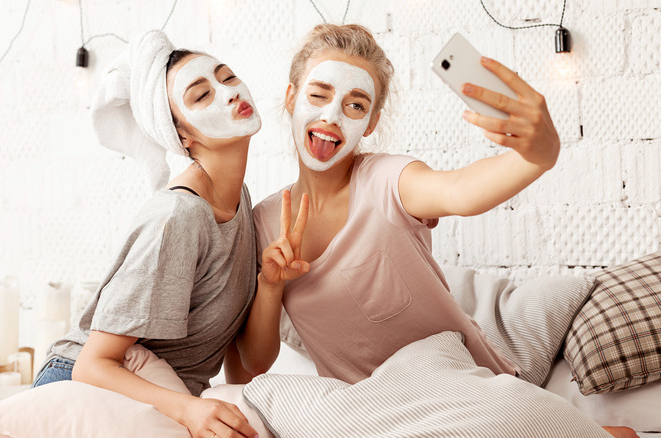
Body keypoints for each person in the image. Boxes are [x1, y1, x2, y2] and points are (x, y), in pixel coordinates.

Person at [240, 24, 638, 438]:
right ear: (290, 98)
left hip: (456, 384)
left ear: (372, 121)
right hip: (370, 412)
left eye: (356, 105)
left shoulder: (386, 179)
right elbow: (251, 366)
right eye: (318, 95)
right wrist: (269, 286)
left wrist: (538, 158)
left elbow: (460, 190)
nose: (332, 116)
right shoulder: (262, 224)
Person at [32, 30, 261, 438]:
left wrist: (274, 285)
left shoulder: (239, 199)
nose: (228, 93)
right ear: (182, 136)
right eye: (200, 95)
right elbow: (93, 364)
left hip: (165, 400)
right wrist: (191, 411)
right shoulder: (179, 217)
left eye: (227, 77)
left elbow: (241, 365)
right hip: (85, 387)